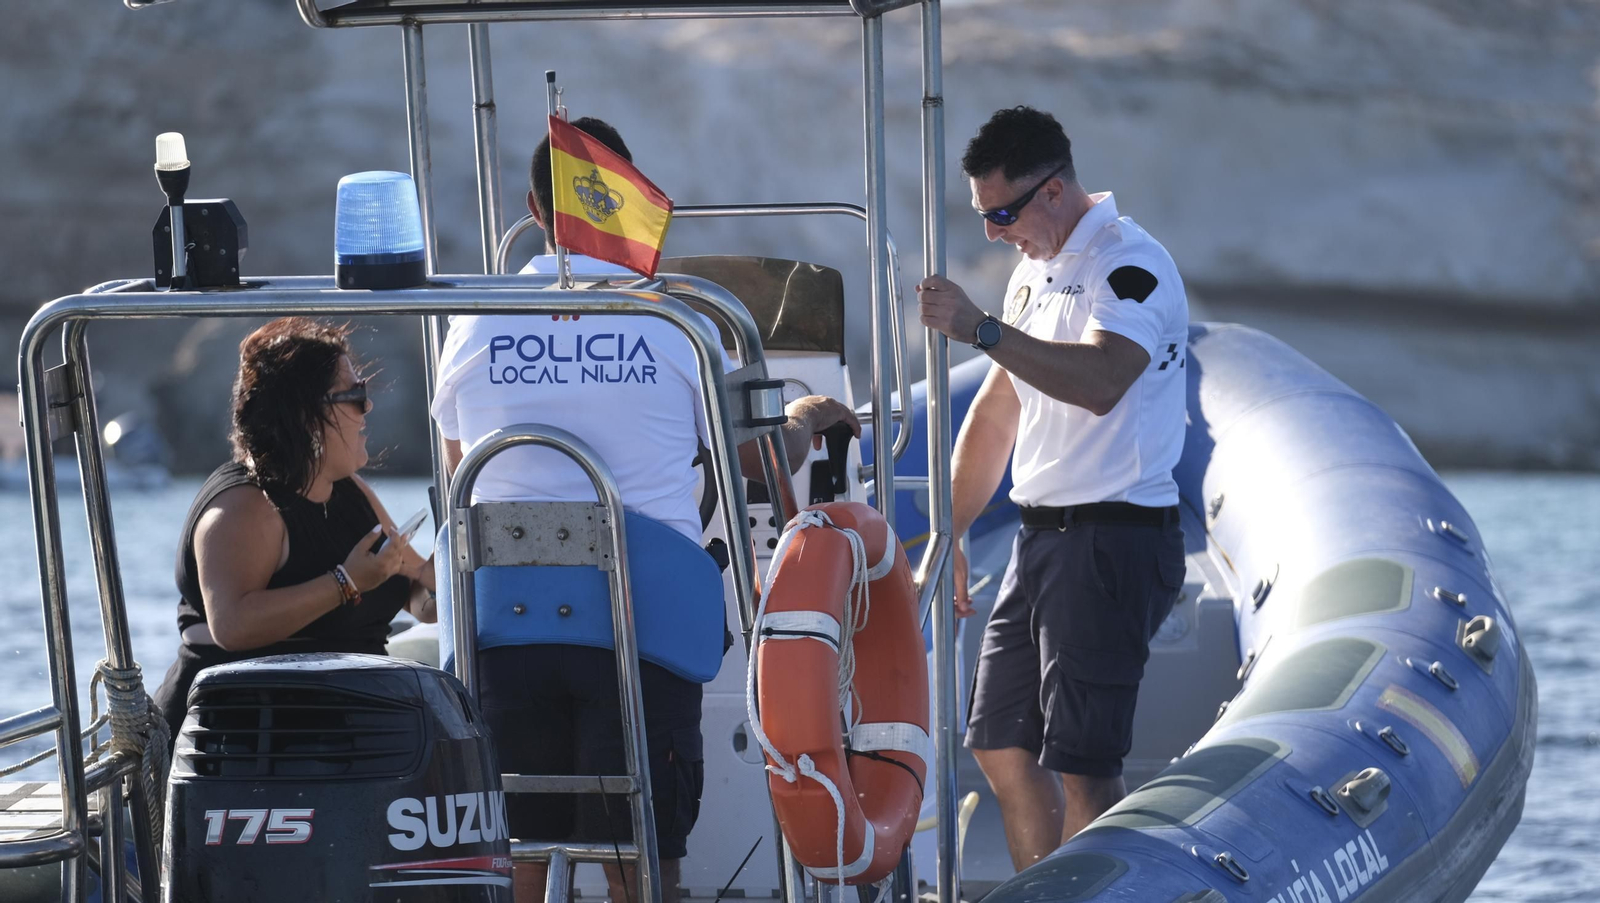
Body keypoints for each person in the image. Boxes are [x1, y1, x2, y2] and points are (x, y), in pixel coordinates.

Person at [431, 117, 860, 903]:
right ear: (622, 192)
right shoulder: (677, 322)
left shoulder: (470, 321)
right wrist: (801, 423)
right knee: (642, 856)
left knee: (521, 848)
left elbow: (463, 478)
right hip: (642, 630)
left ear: (533, 209)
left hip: (504, 629)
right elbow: (754, 468)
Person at [915, 106, 1189, 869]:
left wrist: (983, 330)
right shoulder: (1033, 271)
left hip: (1111, 536)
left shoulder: (1129, 264)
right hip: (1042, 539)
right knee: (999, 744)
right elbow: (1000, 409)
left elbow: (1103, 381)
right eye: (982, 216)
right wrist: (952, 529)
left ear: (1056, 191)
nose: (993, 234)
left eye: (1002, 213)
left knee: (1085, 769)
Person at [154, 317, 437, 743]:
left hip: (339, 736)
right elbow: (232, 625)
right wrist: (345, 582)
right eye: (356, 395)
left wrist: (456, 556)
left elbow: (419, 596)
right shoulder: (245, 507)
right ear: (309, 417)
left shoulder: (350, 492)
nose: (368, 408)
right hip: (241, 745)